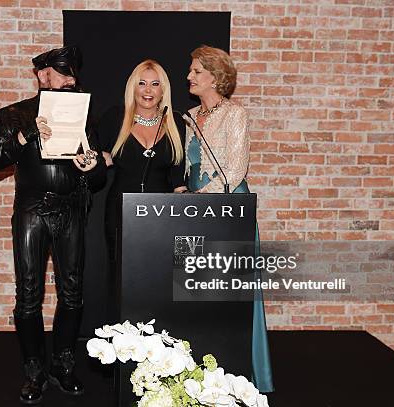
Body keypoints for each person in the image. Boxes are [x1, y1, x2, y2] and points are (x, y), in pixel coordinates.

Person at [0, 45, 106, 405]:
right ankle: (34, 368)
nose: (69, 80)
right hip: (32, 210)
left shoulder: (83, 116)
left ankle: (64, 363)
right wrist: (24, 137)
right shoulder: (16, 115)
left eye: (72, 74)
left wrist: (90, 166)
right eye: (62, 73)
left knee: (72, 291)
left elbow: (97, 177)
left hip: (70, 210)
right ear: (42, 75)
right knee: (29, 293)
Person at [184, 45, 274, 392]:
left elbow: (236, 168)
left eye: (195, 71)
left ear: (215, 76)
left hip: (228, 207)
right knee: (194, 288)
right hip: (191, 211)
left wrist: (201, 199)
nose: (189, 76)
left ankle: (240, 371)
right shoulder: (189, 115)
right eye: (190, 71)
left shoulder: (234, 114)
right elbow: (189, 166)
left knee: (232, 293)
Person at [96, 59, 186, 320]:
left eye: (155, 84)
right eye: (142, 83)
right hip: (121, 212)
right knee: (123, 279)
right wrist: (97, 160)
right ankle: (121, 345)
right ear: (132, 87)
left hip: (163, 216)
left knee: (159, 279)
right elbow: (93, 160)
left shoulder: (175, 122)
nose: (148, 90)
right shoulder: (115, 118)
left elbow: (177, 177)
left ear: (163, 90)